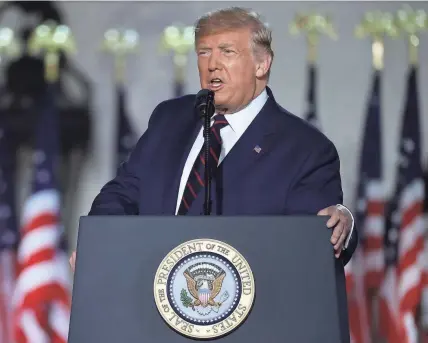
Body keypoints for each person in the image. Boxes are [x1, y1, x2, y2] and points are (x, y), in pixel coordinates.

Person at [70, 7, 357, 270]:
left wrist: (340, 224)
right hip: (150, 301)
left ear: (262, 64)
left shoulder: (306, 150)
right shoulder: (170, 119)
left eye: (227, 52)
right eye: (204, 52)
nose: (212, 65)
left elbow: (316, 244)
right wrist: (99, 241)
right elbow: (123, 194)